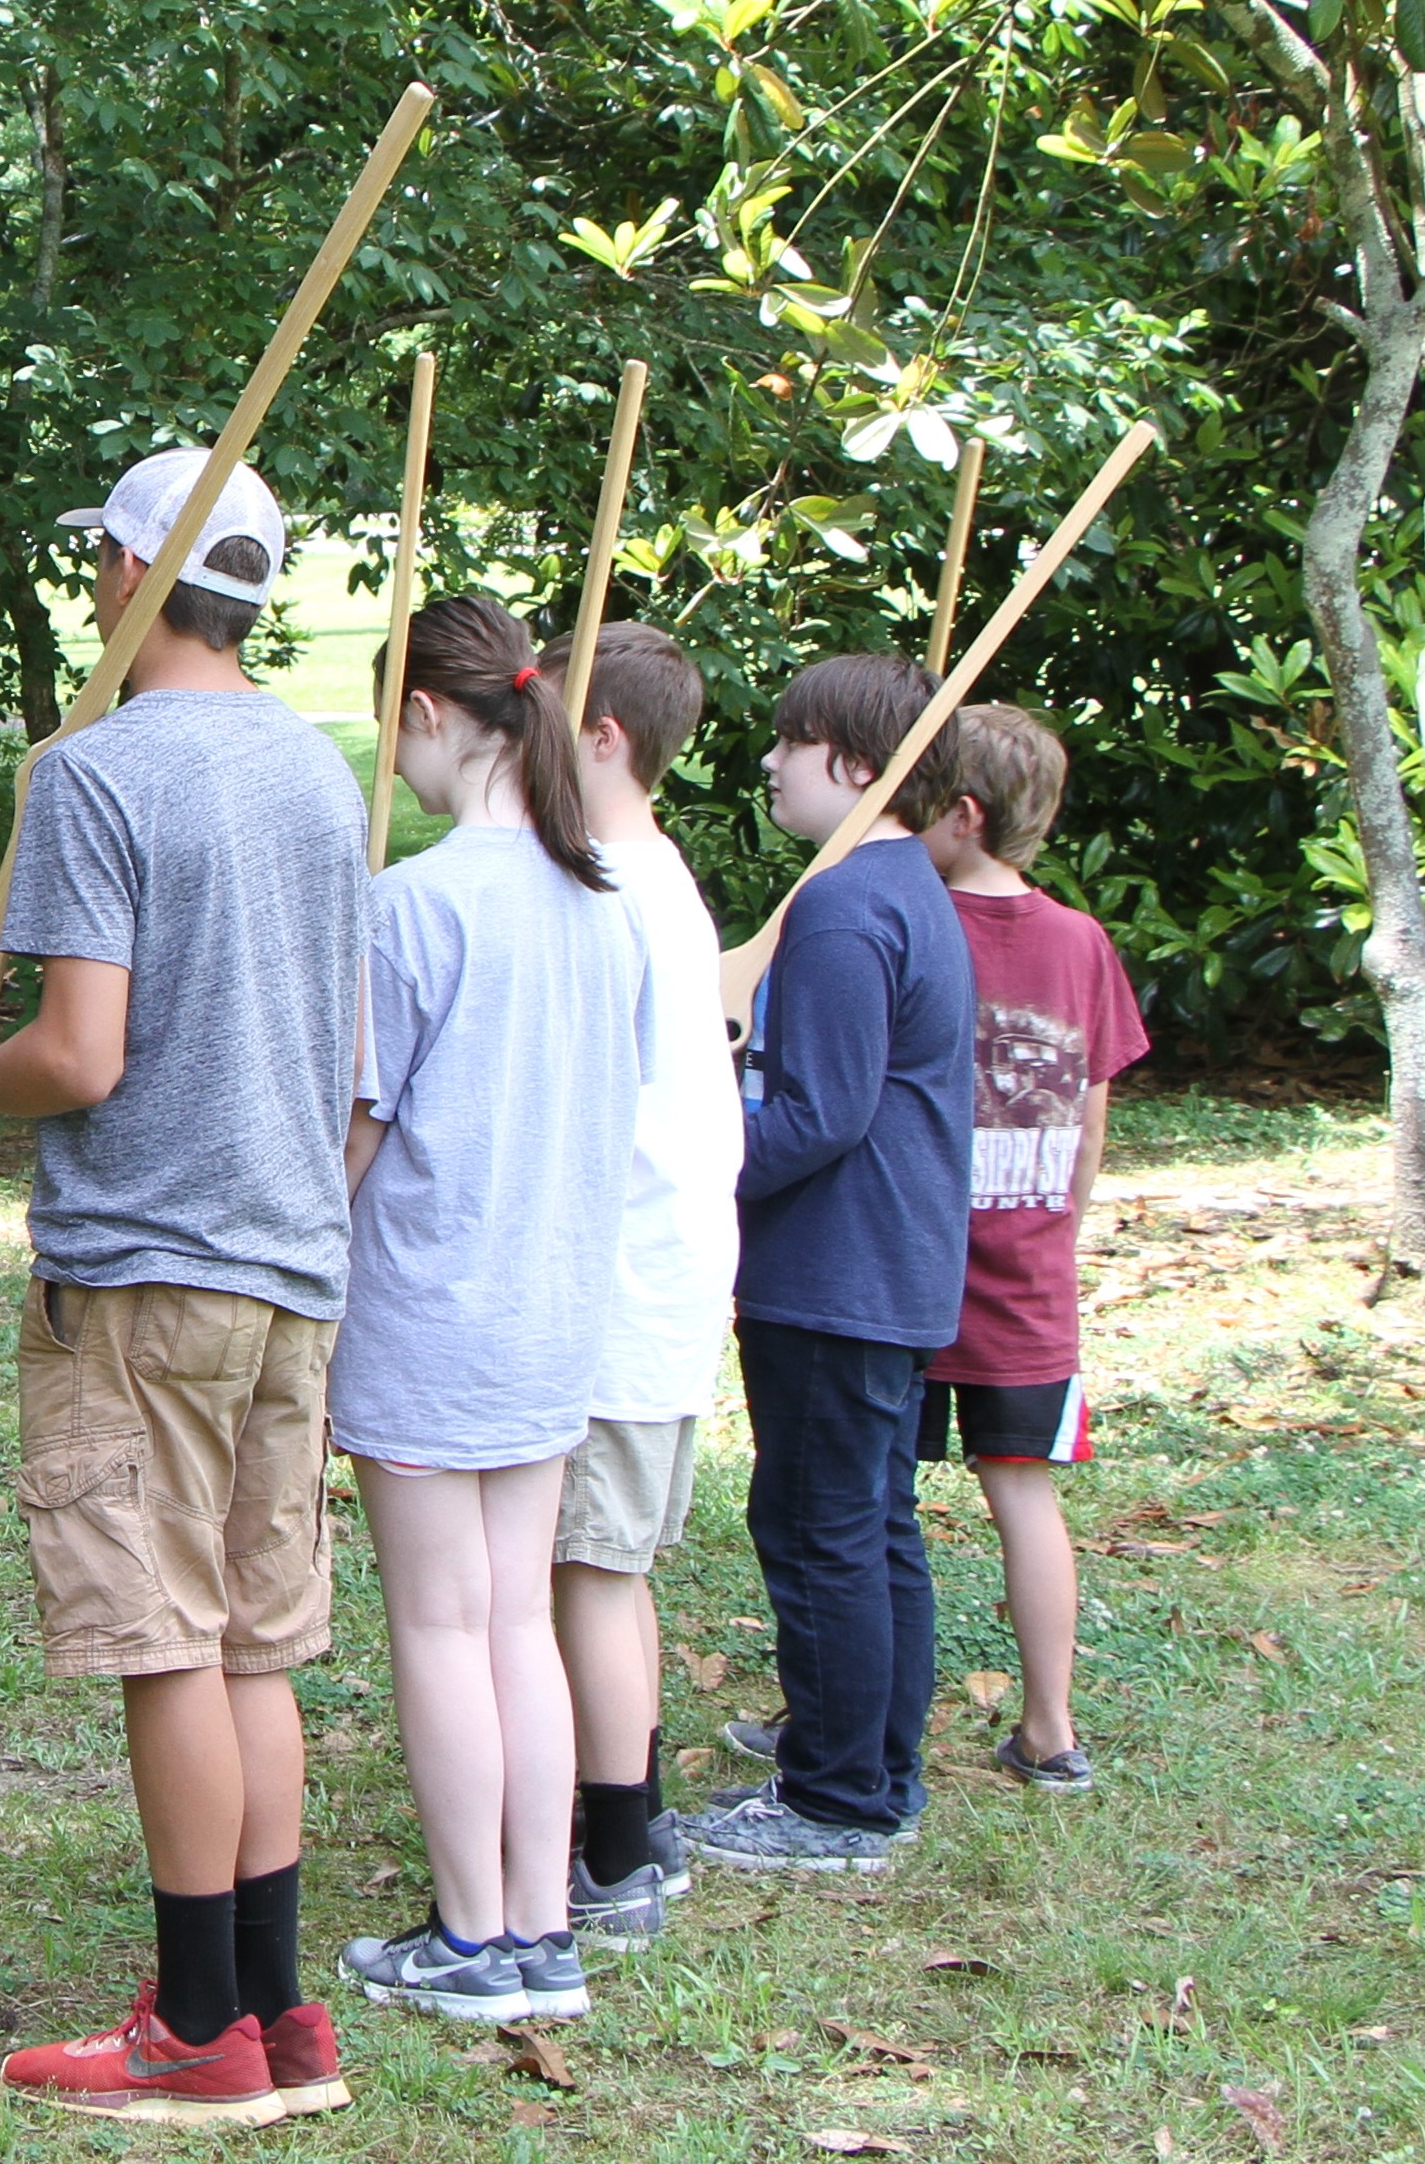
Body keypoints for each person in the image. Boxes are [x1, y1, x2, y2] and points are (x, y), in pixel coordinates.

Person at [0, 449, 364, 2127]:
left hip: (146, 1273)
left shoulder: (89, 777)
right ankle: (271, 2011)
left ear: (122, 566)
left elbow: (79, 1055)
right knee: (251, 1644)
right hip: (289, 1271)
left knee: (167, 1640)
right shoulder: (324, 779)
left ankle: (189, 2029)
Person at [333, 595, 653, 2028]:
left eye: (391, 733)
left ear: (427, 716)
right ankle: (540, 1923)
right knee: (516, 1615)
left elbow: (355, 1126)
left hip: (427, 1310)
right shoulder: (608, 903)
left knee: (444, 1627)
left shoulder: (413, 903)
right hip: (549, 1311)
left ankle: (475, 1934)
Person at [687, 655, 971, 1877]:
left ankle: (837, 1796)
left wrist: (689, 1157)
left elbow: (821, 1112)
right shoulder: (900, 885)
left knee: (818, 1526)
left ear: (854, 767)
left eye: (788, 744)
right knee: (867, 1518)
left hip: (839, 1269)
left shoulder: (848, 902)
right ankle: (872, 1763)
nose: (768, 764)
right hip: (888, 1263)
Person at [531, 623, 740, 1946]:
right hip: (659, 1283)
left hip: (624, 1286)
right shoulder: (651, 874)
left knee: (591, 1572)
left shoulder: (605, 883)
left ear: (602, 737)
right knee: (606, 1569)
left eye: (545, 714)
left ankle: (613, 1847)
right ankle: (636, 1808)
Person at [917, 703, 1146, 1790]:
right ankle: (1050, 1730)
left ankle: (842, 1708)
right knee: (1023, 1491)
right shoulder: (1078, 942)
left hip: (904, 1266)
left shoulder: (911, 921)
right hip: (1030, 1271)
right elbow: (1090, 1110)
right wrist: (1062, 1221)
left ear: (958, 815)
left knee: (870, 1499)